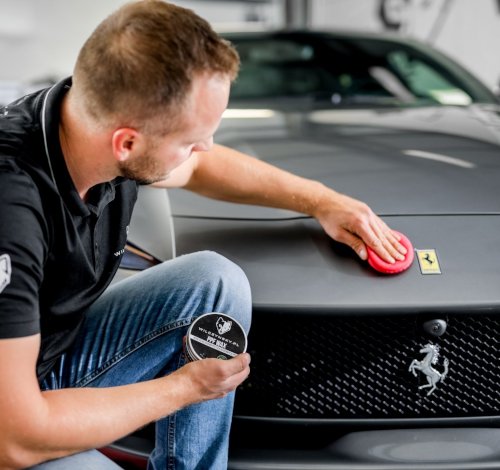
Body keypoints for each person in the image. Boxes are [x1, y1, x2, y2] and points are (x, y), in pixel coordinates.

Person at [0, 1, 407, 469]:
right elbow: (13, 438)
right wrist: (186, 387)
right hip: (11, 420)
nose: (205, 147)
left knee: (214, 280)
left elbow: (201, 167)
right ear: (127, 143)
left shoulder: (90, 123)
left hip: (45, 360)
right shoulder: (13, 204)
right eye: (191, 139)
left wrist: (322, 201)